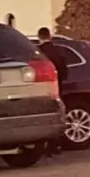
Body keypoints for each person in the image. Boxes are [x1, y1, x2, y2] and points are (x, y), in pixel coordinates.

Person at [36, 27, 69, 156]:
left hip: (44, 88)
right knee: (58, 114)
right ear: (49, 36)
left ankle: (48, 146)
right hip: (58, 87)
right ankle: (57, 144)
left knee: (46, 116)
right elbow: (65, 71)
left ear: (40, 37)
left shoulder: (39, 52)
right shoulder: (58, 50)